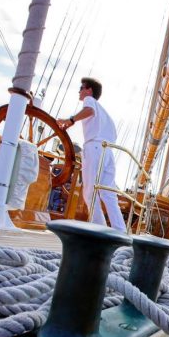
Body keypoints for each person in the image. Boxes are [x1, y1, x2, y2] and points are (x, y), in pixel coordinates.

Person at [57, 77, 125, 230]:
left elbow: (89, 111)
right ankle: (120, 231)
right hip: (108, 151)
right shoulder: (105, 114)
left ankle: (99, 229)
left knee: (89, 192)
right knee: (108, 194)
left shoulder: (89, 100)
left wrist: (71, 120)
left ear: (89, 90)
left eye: (81, 88)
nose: (79, 91)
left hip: (94, 148)